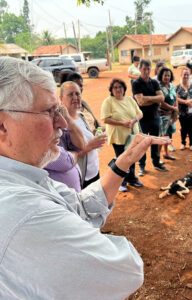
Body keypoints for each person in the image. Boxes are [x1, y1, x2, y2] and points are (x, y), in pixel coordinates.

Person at [0, 56, 170, 299]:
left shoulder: (27, 172)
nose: (61, 122)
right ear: (2, 125)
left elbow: (80, 206)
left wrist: (120, 159)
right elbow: (122, 271)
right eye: (49, 111)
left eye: (58, 109)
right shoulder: (25, 212)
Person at [101, 78, 143, 192]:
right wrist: (122, 123)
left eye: (120, 87)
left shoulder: (130, 99)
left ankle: (132, 179)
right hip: (118, 136)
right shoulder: (108, 101)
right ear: (111, 90)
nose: (118, 89)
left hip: (132, 135)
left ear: (124, 88)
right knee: (122, 159)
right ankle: (122, 182)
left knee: (132, 157)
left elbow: (140, 114)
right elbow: (105, 119)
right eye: (115, 87)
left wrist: (133, 121)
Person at [60, 81, 105, 188]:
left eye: (78, 93)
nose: (75, 97)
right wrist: (91, 146)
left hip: (94, 171)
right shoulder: (61, 124)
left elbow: (86, 137)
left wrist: (96, 135)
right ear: (61, 99)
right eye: (70, 94)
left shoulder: (81, 116)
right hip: (81, 178)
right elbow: (64, 158)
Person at [132, 59, 167, 175]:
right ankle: (141, 166)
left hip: (154, 116)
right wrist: (155, 99)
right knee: (142, 143)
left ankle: (156, 163)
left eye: (148, 69)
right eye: (144, 69)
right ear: (140, 69)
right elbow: (140, 102)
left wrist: (147, 98)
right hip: (142, 119)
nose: (147, 72)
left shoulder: (154, 82)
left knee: (155, 141)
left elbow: (162, 98)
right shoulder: (136, 83)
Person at [44, 106, 86, 192]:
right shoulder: (38, 142)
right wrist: (74, 154)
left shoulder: (57, 128)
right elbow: (66, 161)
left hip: (74, 194)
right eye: (49, 111)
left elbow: (80, 145)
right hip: (62, 201)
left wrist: (68, 119)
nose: (64, 123)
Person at [176, 68, 192, 151]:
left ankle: (191, 144)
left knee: (191, 127)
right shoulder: (178, 87)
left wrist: (190, 101)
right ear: (181, 75)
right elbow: (177, 99)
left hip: (191, 111)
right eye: (184, 74)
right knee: (183, 127)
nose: (186, 76)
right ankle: (183, 143)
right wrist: (186, 102)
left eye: (187, 74)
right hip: (182, 111)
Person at [158, 67, 178, 160]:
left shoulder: (172, 86)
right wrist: (173, 108)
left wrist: (175, 110)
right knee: (162, 136)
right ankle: (157, 157)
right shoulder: (159, 87)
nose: (167, 77)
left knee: (169, 134)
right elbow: (161, 103)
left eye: (169, 75)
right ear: (161, 76)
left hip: (171, 114)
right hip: (163, 114)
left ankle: (166, 153)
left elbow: (175, 98)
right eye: (165, 75)